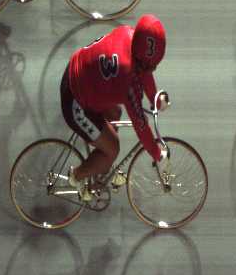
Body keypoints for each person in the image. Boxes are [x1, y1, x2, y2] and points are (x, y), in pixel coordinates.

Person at [59, 14, 168, 201]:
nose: (152, 70)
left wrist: (155, 100)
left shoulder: (129, 33)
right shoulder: (127, 78)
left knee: (115, 112)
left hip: (79, 71)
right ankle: (76, 176)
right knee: (113, 149)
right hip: (75, 102)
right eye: (152, 66)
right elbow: (141, 125)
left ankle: (101, 168)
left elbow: (144, 71)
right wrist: (157, 154)